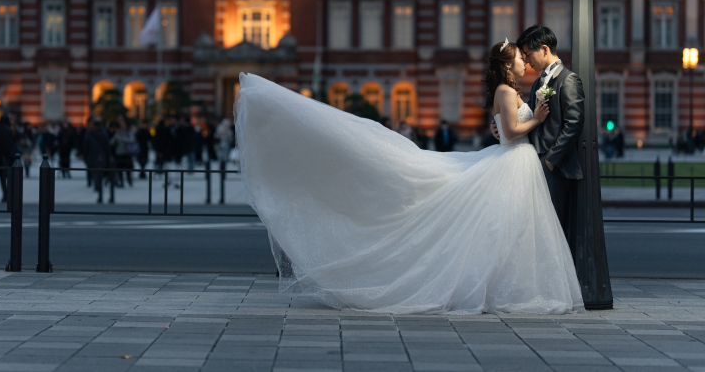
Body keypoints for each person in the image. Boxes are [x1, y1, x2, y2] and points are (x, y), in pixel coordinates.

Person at [234, 39, 583, 315]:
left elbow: (503, 130)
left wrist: (515, 125)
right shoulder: (507, 92)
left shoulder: (510, 92)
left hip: (513, 161)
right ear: (508, 65)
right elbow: (511, 129)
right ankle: (504, 287)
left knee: (507, 228)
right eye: (520, 58)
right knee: (505, 228)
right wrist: (536, 118)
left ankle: (502, 285)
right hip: (512, 162)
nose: (525, 61)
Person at [492, 25, 585, 249]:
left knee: (551, 229)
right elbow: (526, 122)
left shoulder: (568, 79)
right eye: (522, 56)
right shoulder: (537, 83)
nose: (526, 60)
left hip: (553, 167)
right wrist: (500, 128)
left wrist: (550, 161)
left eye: (528, 54)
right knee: (533, 229)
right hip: (531, 164)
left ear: (544, 49)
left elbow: (573, 124)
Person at [83, 118, 111, 203]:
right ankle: (99, 186)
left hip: (91, 157)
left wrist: (85, 155)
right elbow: (107, 146)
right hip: (101, 157)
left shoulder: (90, 133)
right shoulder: (103, 133)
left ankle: (97, 186)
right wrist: (108, 156)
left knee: (94, 173)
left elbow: (85, 145)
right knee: (100, 173)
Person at [0, 115, 16, 203]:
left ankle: (4, 194)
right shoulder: (9, 130)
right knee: (9, 176)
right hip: (8, 156)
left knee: (2, 177)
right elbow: (10, 144)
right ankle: (7, 195)